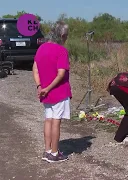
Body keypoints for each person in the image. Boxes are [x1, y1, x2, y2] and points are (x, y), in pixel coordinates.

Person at [32, 21, 71, 163]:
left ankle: (47, 150)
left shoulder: (41, 48)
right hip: (58, 91)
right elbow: (61, 74)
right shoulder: (61, 51)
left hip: (44, 92)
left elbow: (35, 69)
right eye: (66, 36)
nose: (66, 38)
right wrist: (48, 88)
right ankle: (55, 154)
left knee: (48, 120)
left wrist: (40, 87)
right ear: (61, 35)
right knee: (56, 121)